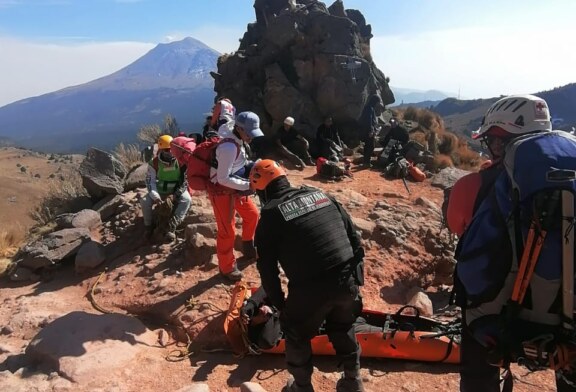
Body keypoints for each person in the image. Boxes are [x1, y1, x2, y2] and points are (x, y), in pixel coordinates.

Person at [446, 95, 576, 392]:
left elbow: (458, 228)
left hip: (496, 317)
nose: (491, 148)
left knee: (473, 325)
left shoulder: (473, 186)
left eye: (493, 140)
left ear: (503, 142)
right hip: (568, 316)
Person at [250, 159, 365, 392]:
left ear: (261, 189)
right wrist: (356, 278)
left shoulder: (270, 216)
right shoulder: (321, 194)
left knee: (294, 331)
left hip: (310, 289)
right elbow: (354, 238)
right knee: (343, 326)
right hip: (347, 281)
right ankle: (353, 381)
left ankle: (301, 387)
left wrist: (280, 305)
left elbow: (268, 270)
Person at [208, 111, 261, 282]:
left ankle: (248, 246)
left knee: (252, 215)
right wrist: (248, 185)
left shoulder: (238, 139)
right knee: (227, 231)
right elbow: (223, 178)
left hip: (235, 188)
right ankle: (227, 267)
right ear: (239, 128)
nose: (251, 137)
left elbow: (239, 163)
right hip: (221, 192)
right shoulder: (229, 147)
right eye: (249, 133)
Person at [140, 134, 191, 242]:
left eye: (171, 149)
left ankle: (172, 226)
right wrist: (156, 197)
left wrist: (174, 195)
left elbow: (185, 181)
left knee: (186, 200)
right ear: (160, 150)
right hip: (160, 190)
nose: (169, 152)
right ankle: (148, 226)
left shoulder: (181, 162)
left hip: (176, 190)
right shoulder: (154, 163)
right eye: (166, 149)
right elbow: (150, 182)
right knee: (145, 201)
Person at [358, 94, 383, 168]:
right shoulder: (369, 109)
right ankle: (366, 163)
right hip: (369, 131)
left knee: (368, 146)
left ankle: (366, 162)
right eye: (377, 102)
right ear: (374, 101)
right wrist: (371, 131)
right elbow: (369, 121)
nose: (378, 104)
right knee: (370, 146)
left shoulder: (368, 107)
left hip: (367, 130)